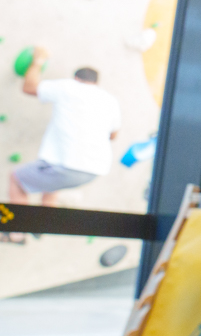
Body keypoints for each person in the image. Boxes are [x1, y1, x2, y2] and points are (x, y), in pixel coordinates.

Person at [5, 50, 120, 214]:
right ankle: (43, 225)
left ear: (77, 79)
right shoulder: (110, 100)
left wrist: (37, 61)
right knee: (51, 184)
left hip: (66, 166)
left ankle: (17, 232)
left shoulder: (69, 87)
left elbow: (29, 87)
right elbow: (113, 135)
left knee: (17, 179)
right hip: (94, 171)